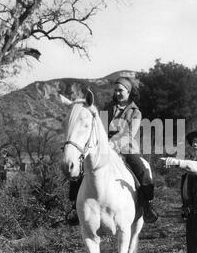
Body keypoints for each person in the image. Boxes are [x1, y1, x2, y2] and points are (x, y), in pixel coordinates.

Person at [66, 76, 159, 225]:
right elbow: (99, 128)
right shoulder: (108, 108)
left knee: (142, 170)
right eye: (115, 90)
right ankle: (75, 208)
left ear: (128, 92)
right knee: (80, 169)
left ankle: (147, 205)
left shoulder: (136, 112)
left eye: (120, 90)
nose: (117, 93)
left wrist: (111, 145)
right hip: (103, 148)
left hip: (126, 149)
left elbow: (129, 135)